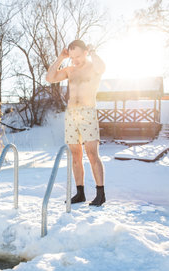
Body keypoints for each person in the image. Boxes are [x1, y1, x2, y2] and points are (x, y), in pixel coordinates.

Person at [46, 40, 106, 206]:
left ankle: (100, 194)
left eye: (78, 56)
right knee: (75, 156)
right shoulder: (70, 70)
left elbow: (102, 68)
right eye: (72, 57)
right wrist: (60, 59)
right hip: (71, 114)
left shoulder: (93, 67)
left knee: (92, 154)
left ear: (86, 52)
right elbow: (50, 78)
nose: (75, 60)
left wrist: (93, 52)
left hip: (88, 113)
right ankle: (80, 193)